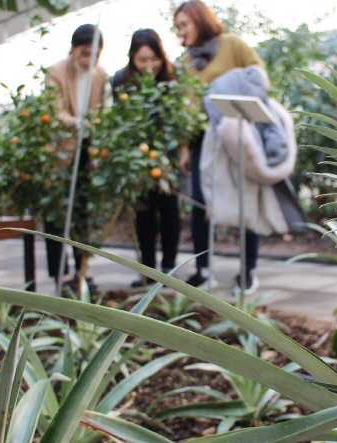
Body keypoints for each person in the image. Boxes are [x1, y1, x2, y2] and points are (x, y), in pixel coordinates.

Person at [174, 0, 267, 294]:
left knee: (245, 199)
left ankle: (248, 269)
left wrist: (222, 90)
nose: (181, 32)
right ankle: (204, 270)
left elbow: (258, 79)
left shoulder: (232, 44)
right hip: (203, 139)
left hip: (236, 132)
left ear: (200, 19)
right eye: (177, 28)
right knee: (201, 203)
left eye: (184, 24)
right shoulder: (185, 62)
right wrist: (185, 148)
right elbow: (186, 108)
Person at [111, 29, 185, 287]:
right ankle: (147, 269)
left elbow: (179, 119)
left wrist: (170, 157)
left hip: (168, 157)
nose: (149, 66)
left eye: (153, 59)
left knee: (169, 211)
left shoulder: (174, 76)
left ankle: (168, 268)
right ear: (132, 58)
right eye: (142, 60)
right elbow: (120, 120)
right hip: (138, 159)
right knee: (143, 214)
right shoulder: (121, 80)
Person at [44, 23, 109, 292]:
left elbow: (104, 110)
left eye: (95, 54)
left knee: (82, 212)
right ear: (73, 50)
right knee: (56, 215)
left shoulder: (101, 74)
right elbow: (54, 112)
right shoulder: (55, 72)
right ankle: (59, 276)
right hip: (60, 153)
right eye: (85, 53)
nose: (90, 60)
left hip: (86, 151)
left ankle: (81, 272)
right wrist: (79, 123)